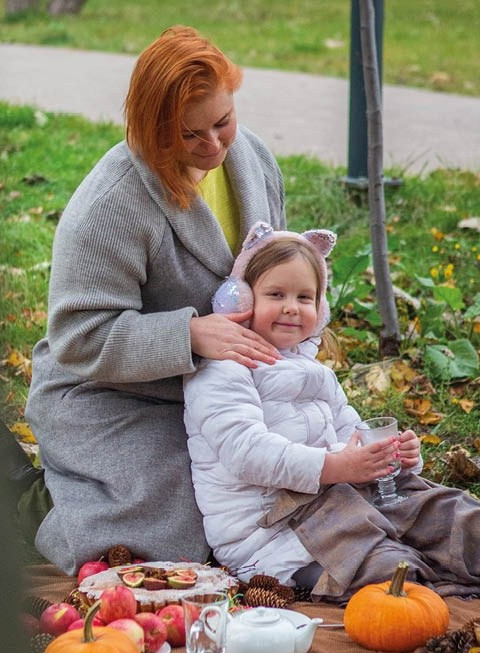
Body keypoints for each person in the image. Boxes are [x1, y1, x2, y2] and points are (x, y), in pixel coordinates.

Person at [24, 26, 286, 576]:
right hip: (112, 394)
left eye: (223, 122)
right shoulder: (110, 204)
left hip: (225, 382)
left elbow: (277, 264)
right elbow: (79, 337)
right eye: (191, 136)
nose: (213, 145)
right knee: (187, 524)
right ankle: (33, 502)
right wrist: (190, 335)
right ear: (152, 128)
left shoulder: (254, 160)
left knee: (279, 484)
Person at [183, 221, 480, 601]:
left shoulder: (317, 371)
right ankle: (426, 586)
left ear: (319, 309)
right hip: (275, 527)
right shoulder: (223, 369)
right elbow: (247, 453)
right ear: (240, 299)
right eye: (276, 294)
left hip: (344, 495)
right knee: (387, 570)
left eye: (305, 298)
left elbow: (350, 434)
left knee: (455, 515)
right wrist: (337, 467)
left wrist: (391, 458)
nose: (291, 307)